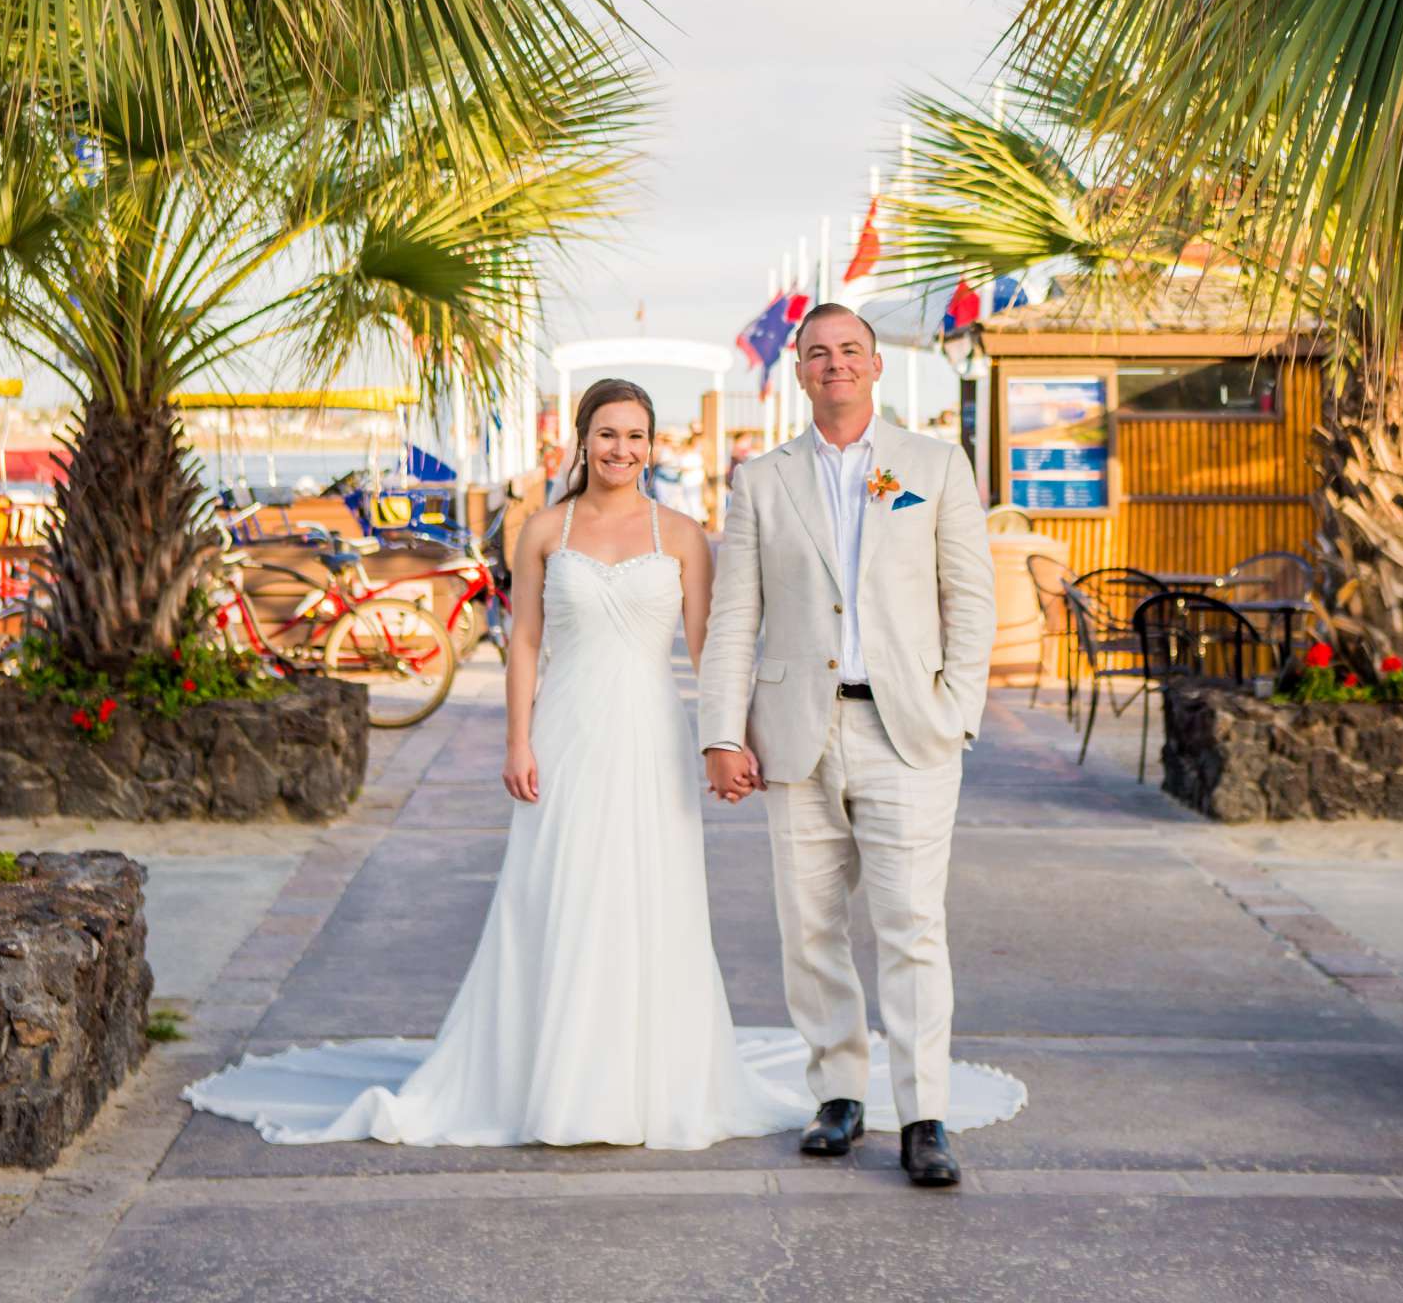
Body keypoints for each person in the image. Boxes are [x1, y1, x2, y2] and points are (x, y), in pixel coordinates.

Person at [184, 372, 1021, 1152]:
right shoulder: (544, 530)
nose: (623, 449)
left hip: (653, 736)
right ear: (583, 441)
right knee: (557, 895)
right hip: (569, 733)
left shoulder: (686, 536)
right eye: (608, 434)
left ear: (653, 446)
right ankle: (553, 1077)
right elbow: (525, 646)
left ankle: (654, 1078)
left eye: (637, 436)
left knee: (652, 898)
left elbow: (716, 645)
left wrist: (729, 739)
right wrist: (518, 741)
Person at [698, 302, 999, 1188]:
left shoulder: (937, 466)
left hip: (909, 731)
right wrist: (721, 731)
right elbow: (733, 618)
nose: (835, 364)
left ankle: (925, 1114)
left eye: (850, 352)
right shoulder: (760, 481)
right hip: (795, 734)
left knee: (912, 928)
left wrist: (959, 709)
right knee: (810, 926)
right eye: (818, 353)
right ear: (800, 371)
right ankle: (838, 1093)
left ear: (875, 367)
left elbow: (971, 603)